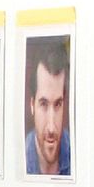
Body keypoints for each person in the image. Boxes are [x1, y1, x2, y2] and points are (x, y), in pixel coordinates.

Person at [22, 34, 70, 176]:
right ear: (32, 105)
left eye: (57, 105)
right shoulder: (19, 158)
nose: (51, 127)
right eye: (43, 104)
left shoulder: (78, 154)